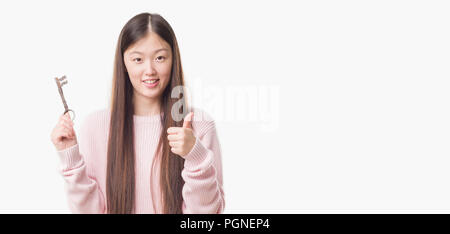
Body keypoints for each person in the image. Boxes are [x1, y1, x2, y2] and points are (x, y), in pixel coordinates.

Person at [50, 12, 225, 214]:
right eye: (138, 59)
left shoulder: (198, 125)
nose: (149, 69)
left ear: (173, 59)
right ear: (124, 63)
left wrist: (196, 156)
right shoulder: (95, 126)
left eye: (160, 58)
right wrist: (69, 157)